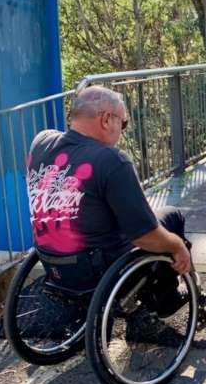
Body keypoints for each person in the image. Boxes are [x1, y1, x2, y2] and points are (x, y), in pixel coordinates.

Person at [25, 85, 191, 315]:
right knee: (171, 216)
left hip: (54, 266)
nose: (122, 131)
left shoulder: (40, 144)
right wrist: (177, 245)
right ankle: (164, 300)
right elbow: (146, 236)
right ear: (106, 120)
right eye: (122, 123)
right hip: (99, 273)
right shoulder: (112, 161)